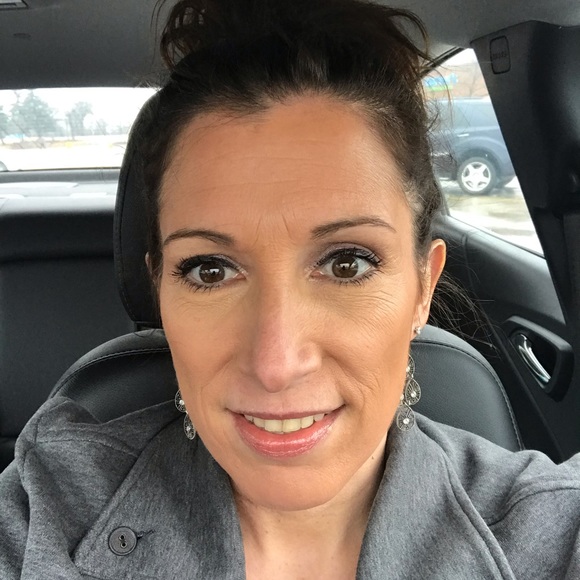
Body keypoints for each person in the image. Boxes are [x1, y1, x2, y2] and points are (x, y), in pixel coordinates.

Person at [1, 0, 580, 578]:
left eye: (347, 264)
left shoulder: (544, 527)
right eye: (209, 271)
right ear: (159, 289)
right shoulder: (50, 502)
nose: (275, 365)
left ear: (423, 287)